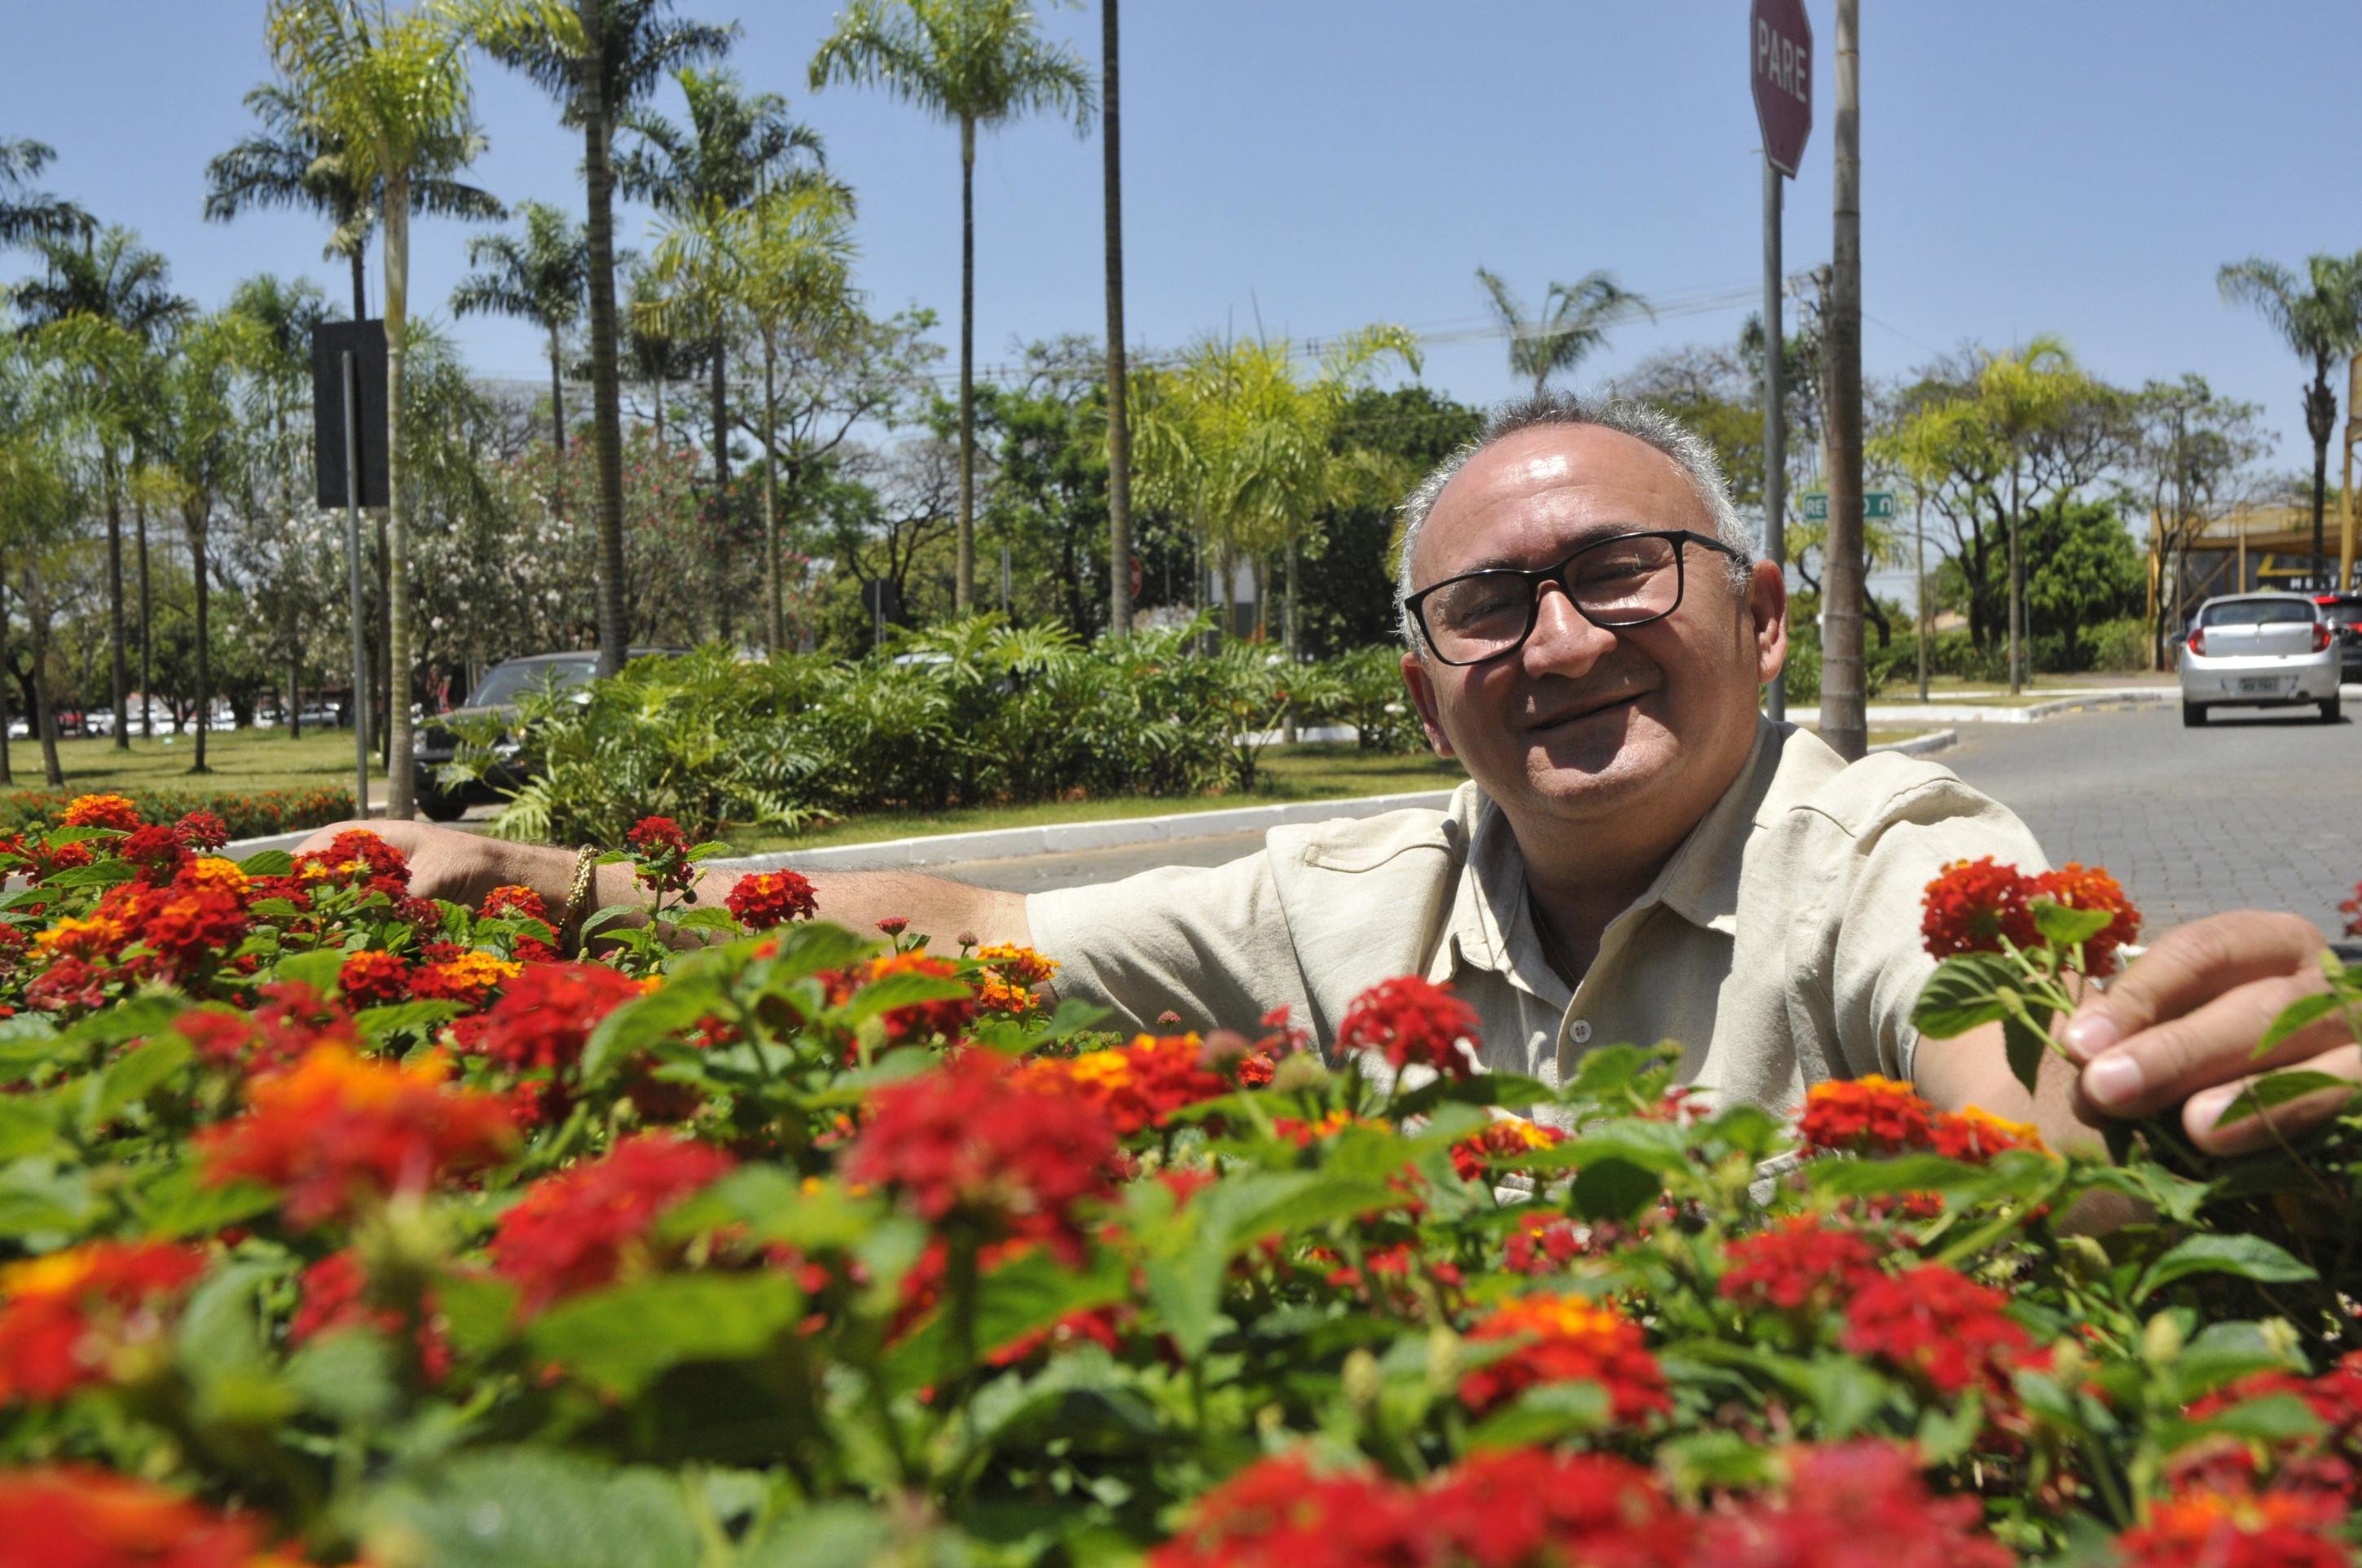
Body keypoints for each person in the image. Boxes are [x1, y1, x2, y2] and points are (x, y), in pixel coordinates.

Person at [309, 394, 2355, 1161]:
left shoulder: (1887, 848)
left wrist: (2135, 1079)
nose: (1559, 642)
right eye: (1488, 607)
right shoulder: (1347, 895)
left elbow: (1993, 1070)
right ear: (1423, 690)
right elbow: (972, 930)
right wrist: (521, 877)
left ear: (1755, 615)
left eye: (1618, 573)